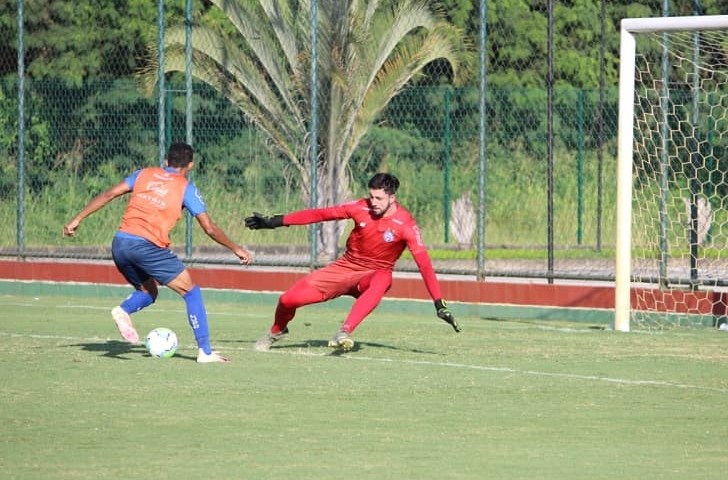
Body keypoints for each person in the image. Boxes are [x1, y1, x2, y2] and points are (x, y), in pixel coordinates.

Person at [63, 142, 253, 363]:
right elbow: (209, 228)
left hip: (120, 243)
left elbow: (109, 194)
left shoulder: (144, 174)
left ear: (166, 162)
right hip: (147, 246)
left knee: (148, 292)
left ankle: (123, 310)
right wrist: (236, 248)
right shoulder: (186, 187)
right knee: (191, 292)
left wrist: (77, 219)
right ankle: (205, 352)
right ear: (190, 165)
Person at [245, 172, 460, 352]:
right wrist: (276, 221)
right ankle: (277, 330)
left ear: (392, 198)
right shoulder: (360, 207)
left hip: (373, 274)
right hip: (344, 267)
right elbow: (322, 214)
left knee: (383, 279)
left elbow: (424, 265)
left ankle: (344, 330)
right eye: (371, 197)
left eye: (379, 199)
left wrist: (438, 303)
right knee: (287, 300)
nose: (373, 203)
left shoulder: (406, 224)